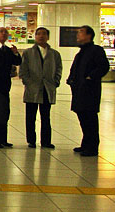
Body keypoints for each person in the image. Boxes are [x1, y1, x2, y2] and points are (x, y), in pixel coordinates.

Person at [67, 25, 110, 156]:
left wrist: (90, 77)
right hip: (80, 90)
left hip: (89, 91)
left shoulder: (96, 50)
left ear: (89, 35)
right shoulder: (81, 52)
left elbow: (103, 67)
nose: (78, 35)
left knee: (90, 118)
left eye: (81, 32)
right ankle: (85, 144)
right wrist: (71, 80)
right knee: (82, 116)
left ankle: (92, 147)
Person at [19, 27, 62, 149]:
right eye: (38, 34)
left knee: (46, 116)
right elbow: (23, 70)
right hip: (32, 88)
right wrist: (27, 82)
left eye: (44, 34)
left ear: (48, 37)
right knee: (30, 116)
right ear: (35, 37)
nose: (41, 36)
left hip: (47, 88)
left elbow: (59, 68)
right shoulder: (28, 53)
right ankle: (31, 140)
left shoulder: (54, 54)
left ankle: (46, 141)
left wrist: (55, 82)